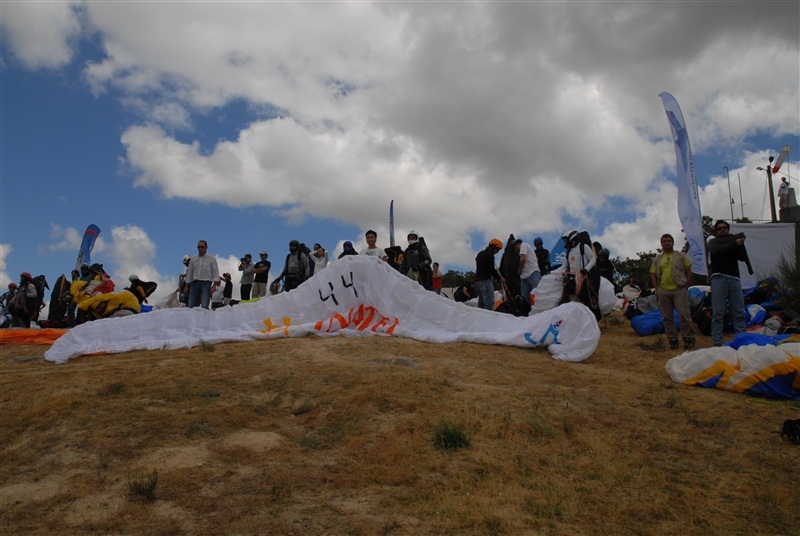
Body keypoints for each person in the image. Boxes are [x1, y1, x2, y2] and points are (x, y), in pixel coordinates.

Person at [707, 220, 750, 346]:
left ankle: (741, 339)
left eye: (724, 228)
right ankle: (717, 341)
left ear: (728, 229)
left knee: (738, 311)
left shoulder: (734, 242)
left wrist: (740, 244)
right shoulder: (713, 242)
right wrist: (735, 243)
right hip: (719, 278)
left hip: (734, 278)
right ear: (716, 232)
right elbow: (717, 251)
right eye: (719, 228)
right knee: (718, 312)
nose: (722, 230)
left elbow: (742, 257)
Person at [649, 234, 695, 350]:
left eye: (669, 241)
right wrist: (657, 288)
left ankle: (689, 338)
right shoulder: (657, 259)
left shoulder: (681, 256)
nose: (666, 243)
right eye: (664, 241)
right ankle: (672, 339)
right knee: (667, 316)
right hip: (663, 290)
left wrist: (686, 286)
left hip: (679, 289)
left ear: (672, 242)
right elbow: (653, 274)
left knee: (684, 315)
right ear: (661, 244)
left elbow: (689, 271)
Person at [559, 230, 601, 320]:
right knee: (571, 300)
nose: (564, 243)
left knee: (587, 300)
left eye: (565, 240)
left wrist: (585, 270)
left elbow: (592, 260)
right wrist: (552, 273)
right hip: (572, 280)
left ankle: (594, 319)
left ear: (571, 239)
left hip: (584, 279)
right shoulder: (568, 252)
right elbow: (564, 266)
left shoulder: (583, 247)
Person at [184, 240, 220, 309]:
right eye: (198, 247)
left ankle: (205, 319)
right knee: (191, 306)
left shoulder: (212, 259)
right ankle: (193, 319)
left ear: (206, 247)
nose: (200, 249)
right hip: (194, 284)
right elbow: (189, 273)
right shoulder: (193, 259)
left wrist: (214, 285)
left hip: (206, 284)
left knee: (204, 305)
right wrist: (186, 286)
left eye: (202, 247)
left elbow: (216, 272)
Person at [474, 239, 505, 310]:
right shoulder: (490, 255)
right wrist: (500, 278)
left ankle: (480, 317)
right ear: (493, 247)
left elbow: (477, 259)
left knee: (481, 302)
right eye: (497, 250)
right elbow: (491, 270)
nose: (497, 252)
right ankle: (488, 319)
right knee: (489, 302)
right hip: (485, 280)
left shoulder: (480, 253)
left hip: (477, 281)